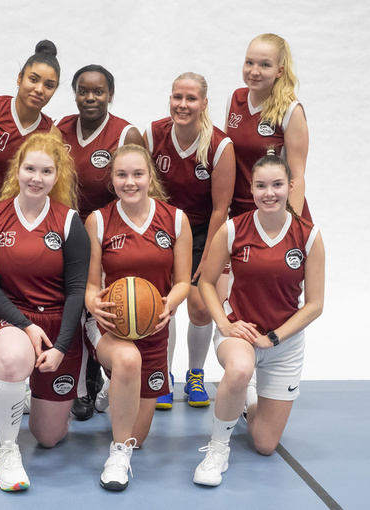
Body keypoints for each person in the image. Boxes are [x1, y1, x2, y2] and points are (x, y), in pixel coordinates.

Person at [193, 151, 324, 486]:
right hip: (242, 333)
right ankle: (217, 449)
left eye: (277, 185)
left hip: (284, 343)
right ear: (250, 189)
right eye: (261, 186)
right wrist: (224, 323)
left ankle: (247, 401)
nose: (269, 193)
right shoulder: (233, 229)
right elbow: (206, 282)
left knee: (265, 444)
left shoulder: (308, 235)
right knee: (239, 369)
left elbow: (314, 305)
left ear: (290, 187)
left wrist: (274, 338)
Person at [0, 133, 90, 491]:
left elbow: (76, 291)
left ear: (57, 177)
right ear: (17, 170)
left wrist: (61, 345)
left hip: (59, 322)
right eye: (30, 169)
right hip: (13, 315)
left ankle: (23, 395)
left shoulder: (69, 221)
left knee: (49, 437)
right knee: (10, 361)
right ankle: (8, 451)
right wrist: (25, 325)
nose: (36, 178)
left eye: (46, 171)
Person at [84, 144, 191, 490]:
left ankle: (114, 389)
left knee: (138, 438)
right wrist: (93, 304)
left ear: (150, 177)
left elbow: (183, 282)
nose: (130, 182)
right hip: (110, 327)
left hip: (153, 327)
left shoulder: (175, 219)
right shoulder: (98, 220)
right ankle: (117, 454)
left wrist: (168, 304)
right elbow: (90, 285)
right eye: (122, 175)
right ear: (112, 179)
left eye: (137, 174)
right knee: (128, 360)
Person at [56, 64, 145, 421]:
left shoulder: (125, 133)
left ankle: (104, 377)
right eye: (83, 90)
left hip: (109, 232)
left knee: (102, 305)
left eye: (98, 91)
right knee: (71, 305)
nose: (90, 97)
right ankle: (78, 386)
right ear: (75, 93)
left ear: (110, 94)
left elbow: (139, 186)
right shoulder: (59, 129)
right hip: (65, 232)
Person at [144, 72, 235, 409]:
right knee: (162, 304)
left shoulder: (219, 145)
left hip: (201, 231)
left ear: (204, 103)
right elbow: (143, 191)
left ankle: (195, 373)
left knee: (199, 306)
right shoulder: (153, 135)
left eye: (191, 99)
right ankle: (163, 376)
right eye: (177, 97)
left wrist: (208, 256)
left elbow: (220, 208)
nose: (182, 105)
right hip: (163, 229)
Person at [0, 40, 63, 230]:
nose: (39, 89)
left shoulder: (51, 134)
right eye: (33, 79)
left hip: (14, 224)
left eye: (49, 85)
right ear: (19, 78)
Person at [225, 33, 311, 220]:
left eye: (265, 65)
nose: (254, 71)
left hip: (276, 213)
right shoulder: (235, 99)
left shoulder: (290, 110)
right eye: (249, 62)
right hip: (240, 213)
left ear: (280, 71)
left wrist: (291, 226)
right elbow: (227, 161)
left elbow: (297, 178)